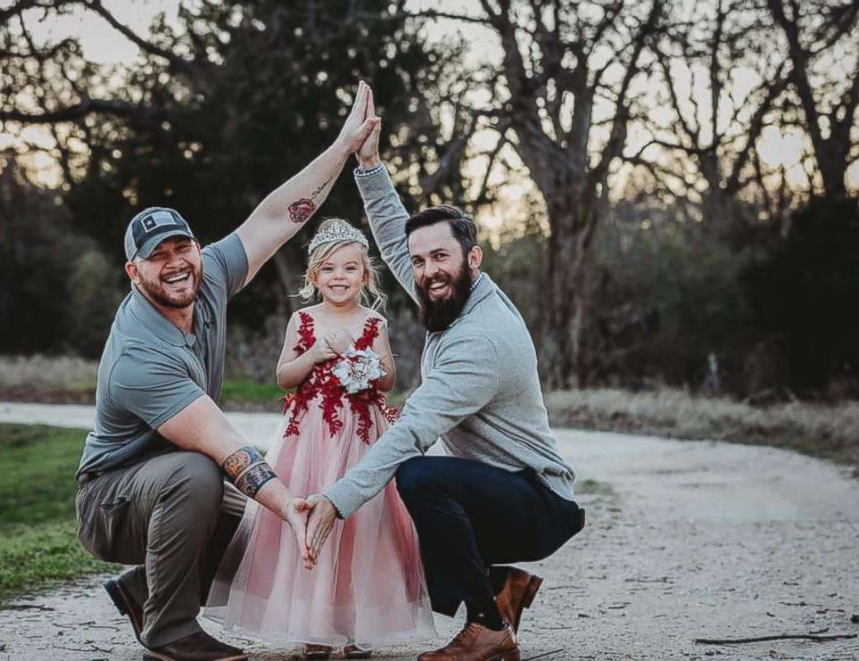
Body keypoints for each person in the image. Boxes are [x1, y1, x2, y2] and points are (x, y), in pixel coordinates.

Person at [74, 83, 380, 661]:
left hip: (172, 486)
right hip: (112, 500)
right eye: (158, 256)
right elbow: (223, 446)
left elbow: (277, 216)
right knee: (207, 478)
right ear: (133, 271)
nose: (176, 263)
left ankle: (144, 588)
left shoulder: (209, 273)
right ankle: (167, 632)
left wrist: (342, 147)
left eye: (181, 247)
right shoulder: (140, 353)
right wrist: (289, 504)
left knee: (261, 534)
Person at [303, 96, 586, 661]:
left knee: (416, 480)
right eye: (419, 260)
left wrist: (334, 501)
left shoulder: (481, 338)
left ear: (473, 258)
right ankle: (502, 587)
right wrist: (369, 166)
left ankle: (487, 628)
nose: (427, 271)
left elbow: (412, 434)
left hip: (538, 499)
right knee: (405, 502)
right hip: (502, 486)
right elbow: (391, 235)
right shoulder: (449, 294)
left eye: (440, 257)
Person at [206, 219, 436, 659]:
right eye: (329, 269)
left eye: (349, 269)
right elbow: (284, 376)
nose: (339, 277)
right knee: (309, 518)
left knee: (362, 526)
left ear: (365, 276)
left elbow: (388, 380)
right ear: (314, 277)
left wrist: (366, 363)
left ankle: (354, 627)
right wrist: (314, 355)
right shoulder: (303, 319)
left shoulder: (373, 322)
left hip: (361, 438)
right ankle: (311, 626)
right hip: (311, 435)